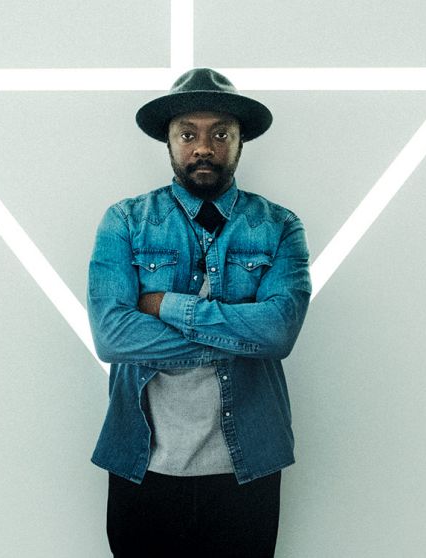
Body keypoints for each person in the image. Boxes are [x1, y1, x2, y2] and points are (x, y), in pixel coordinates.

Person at [87, 68, 311, 558]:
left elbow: (278, 333)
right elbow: (111, 336)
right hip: (143, 464)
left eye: (220, 134)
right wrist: (239, 332)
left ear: (240, 141)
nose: (203, 147)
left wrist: (165, 305)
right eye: (188, 134)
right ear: (168, 141)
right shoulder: (125, 221)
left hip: (246, 467)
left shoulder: (279, 226)